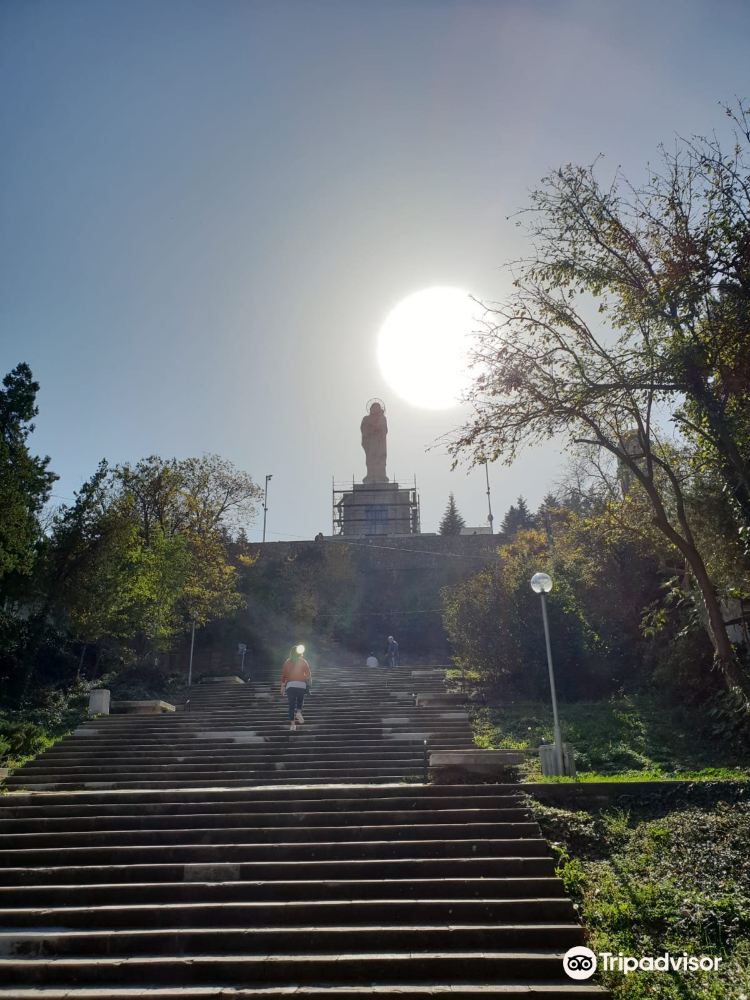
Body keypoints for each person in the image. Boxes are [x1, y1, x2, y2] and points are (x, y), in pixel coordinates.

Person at [280, 644, 312, 732]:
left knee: (291, 705)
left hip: (290, 685)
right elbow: (308, 674)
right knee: (300, 701)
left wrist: (282, 687)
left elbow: (284, 676)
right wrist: (309, 684)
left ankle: (293, 725)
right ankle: (298, 712)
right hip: (301, 685)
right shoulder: (303, 661)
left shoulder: (287, 662)